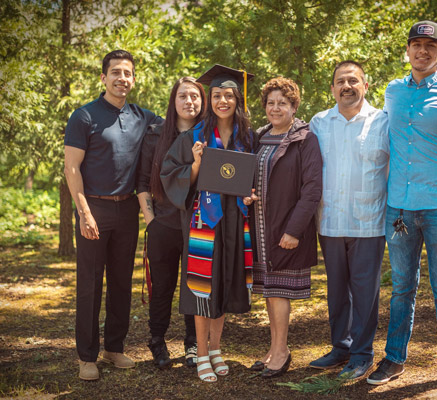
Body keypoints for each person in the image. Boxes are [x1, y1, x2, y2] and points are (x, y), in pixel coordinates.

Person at [366, 21, 437, 394]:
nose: (423, 51)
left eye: (431, 45)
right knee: (401, 287)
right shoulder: (393, 91)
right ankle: (395, 357)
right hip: (398, 208)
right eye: (417, 44)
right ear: (409, 50)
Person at [64, 50, 162, 381]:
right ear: (103, 77)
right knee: (90, 284)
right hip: (94, 207)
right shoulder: (84, 116)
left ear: (134, 80)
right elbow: (71, 168)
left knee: (121, 282)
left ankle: (114, 348)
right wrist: (84, 213)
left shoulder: (143, 116)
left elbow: (179, 125)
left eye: (128, 73)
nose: (122, 78)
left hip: (127, 210)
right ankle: (86, 356)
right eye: (116, 72)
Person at [160, 64, 256, 383]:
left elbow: (254, 178)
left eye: (229, 95)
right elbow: (170, 174)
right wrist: (197, 164)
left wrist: (251, 196)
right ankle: (201, 352)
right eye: (216, 95)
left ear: (237, 99)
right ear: (209, 99)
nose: (222, 101)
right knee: (202, 288)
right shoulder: (194, 136)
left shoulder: (247, 136)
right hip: (205, 221)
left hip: (235, 221)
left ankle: (215, 348)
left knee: (225, 282)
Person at [308, 61, 389, 380]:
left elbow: (405, 159)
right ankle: (341, 347)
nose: (347, 86)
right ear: (332, 88)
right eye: (340, 81)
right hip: (329, 221)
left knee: (365, 291)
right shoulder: (319, 123)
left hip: (369, 221)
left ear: (365, 86)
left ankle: (362, 354)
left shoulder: (383, 121)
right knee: (337, 289)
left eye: (353, 80)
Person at [243, 77, 322, 378]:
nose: (276, 108)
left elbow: (312, 188)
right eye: (271, 103)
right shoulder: (259, 137)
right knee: (269, 291)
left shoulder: (305, 138)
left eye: (283, 103)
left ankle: (282, 351)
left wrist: (294, 230)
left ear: (294, 106)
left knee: (279, 293)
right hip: (260, 228)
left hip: (286, 229)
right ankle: (273, 348)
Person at [136, 77, 206, 369]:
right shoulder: (155, 135)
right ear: (173, 101)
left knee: (195, 285)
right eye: (183, 96)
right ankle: (157, 340)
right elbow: (141, 182)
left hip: (198, 223)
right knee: (162, 285)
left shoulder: (209, 134)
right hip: (163, 222)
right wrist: (151, 220)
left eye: (195, 96)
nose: (189, 101)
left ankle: (193, 343)